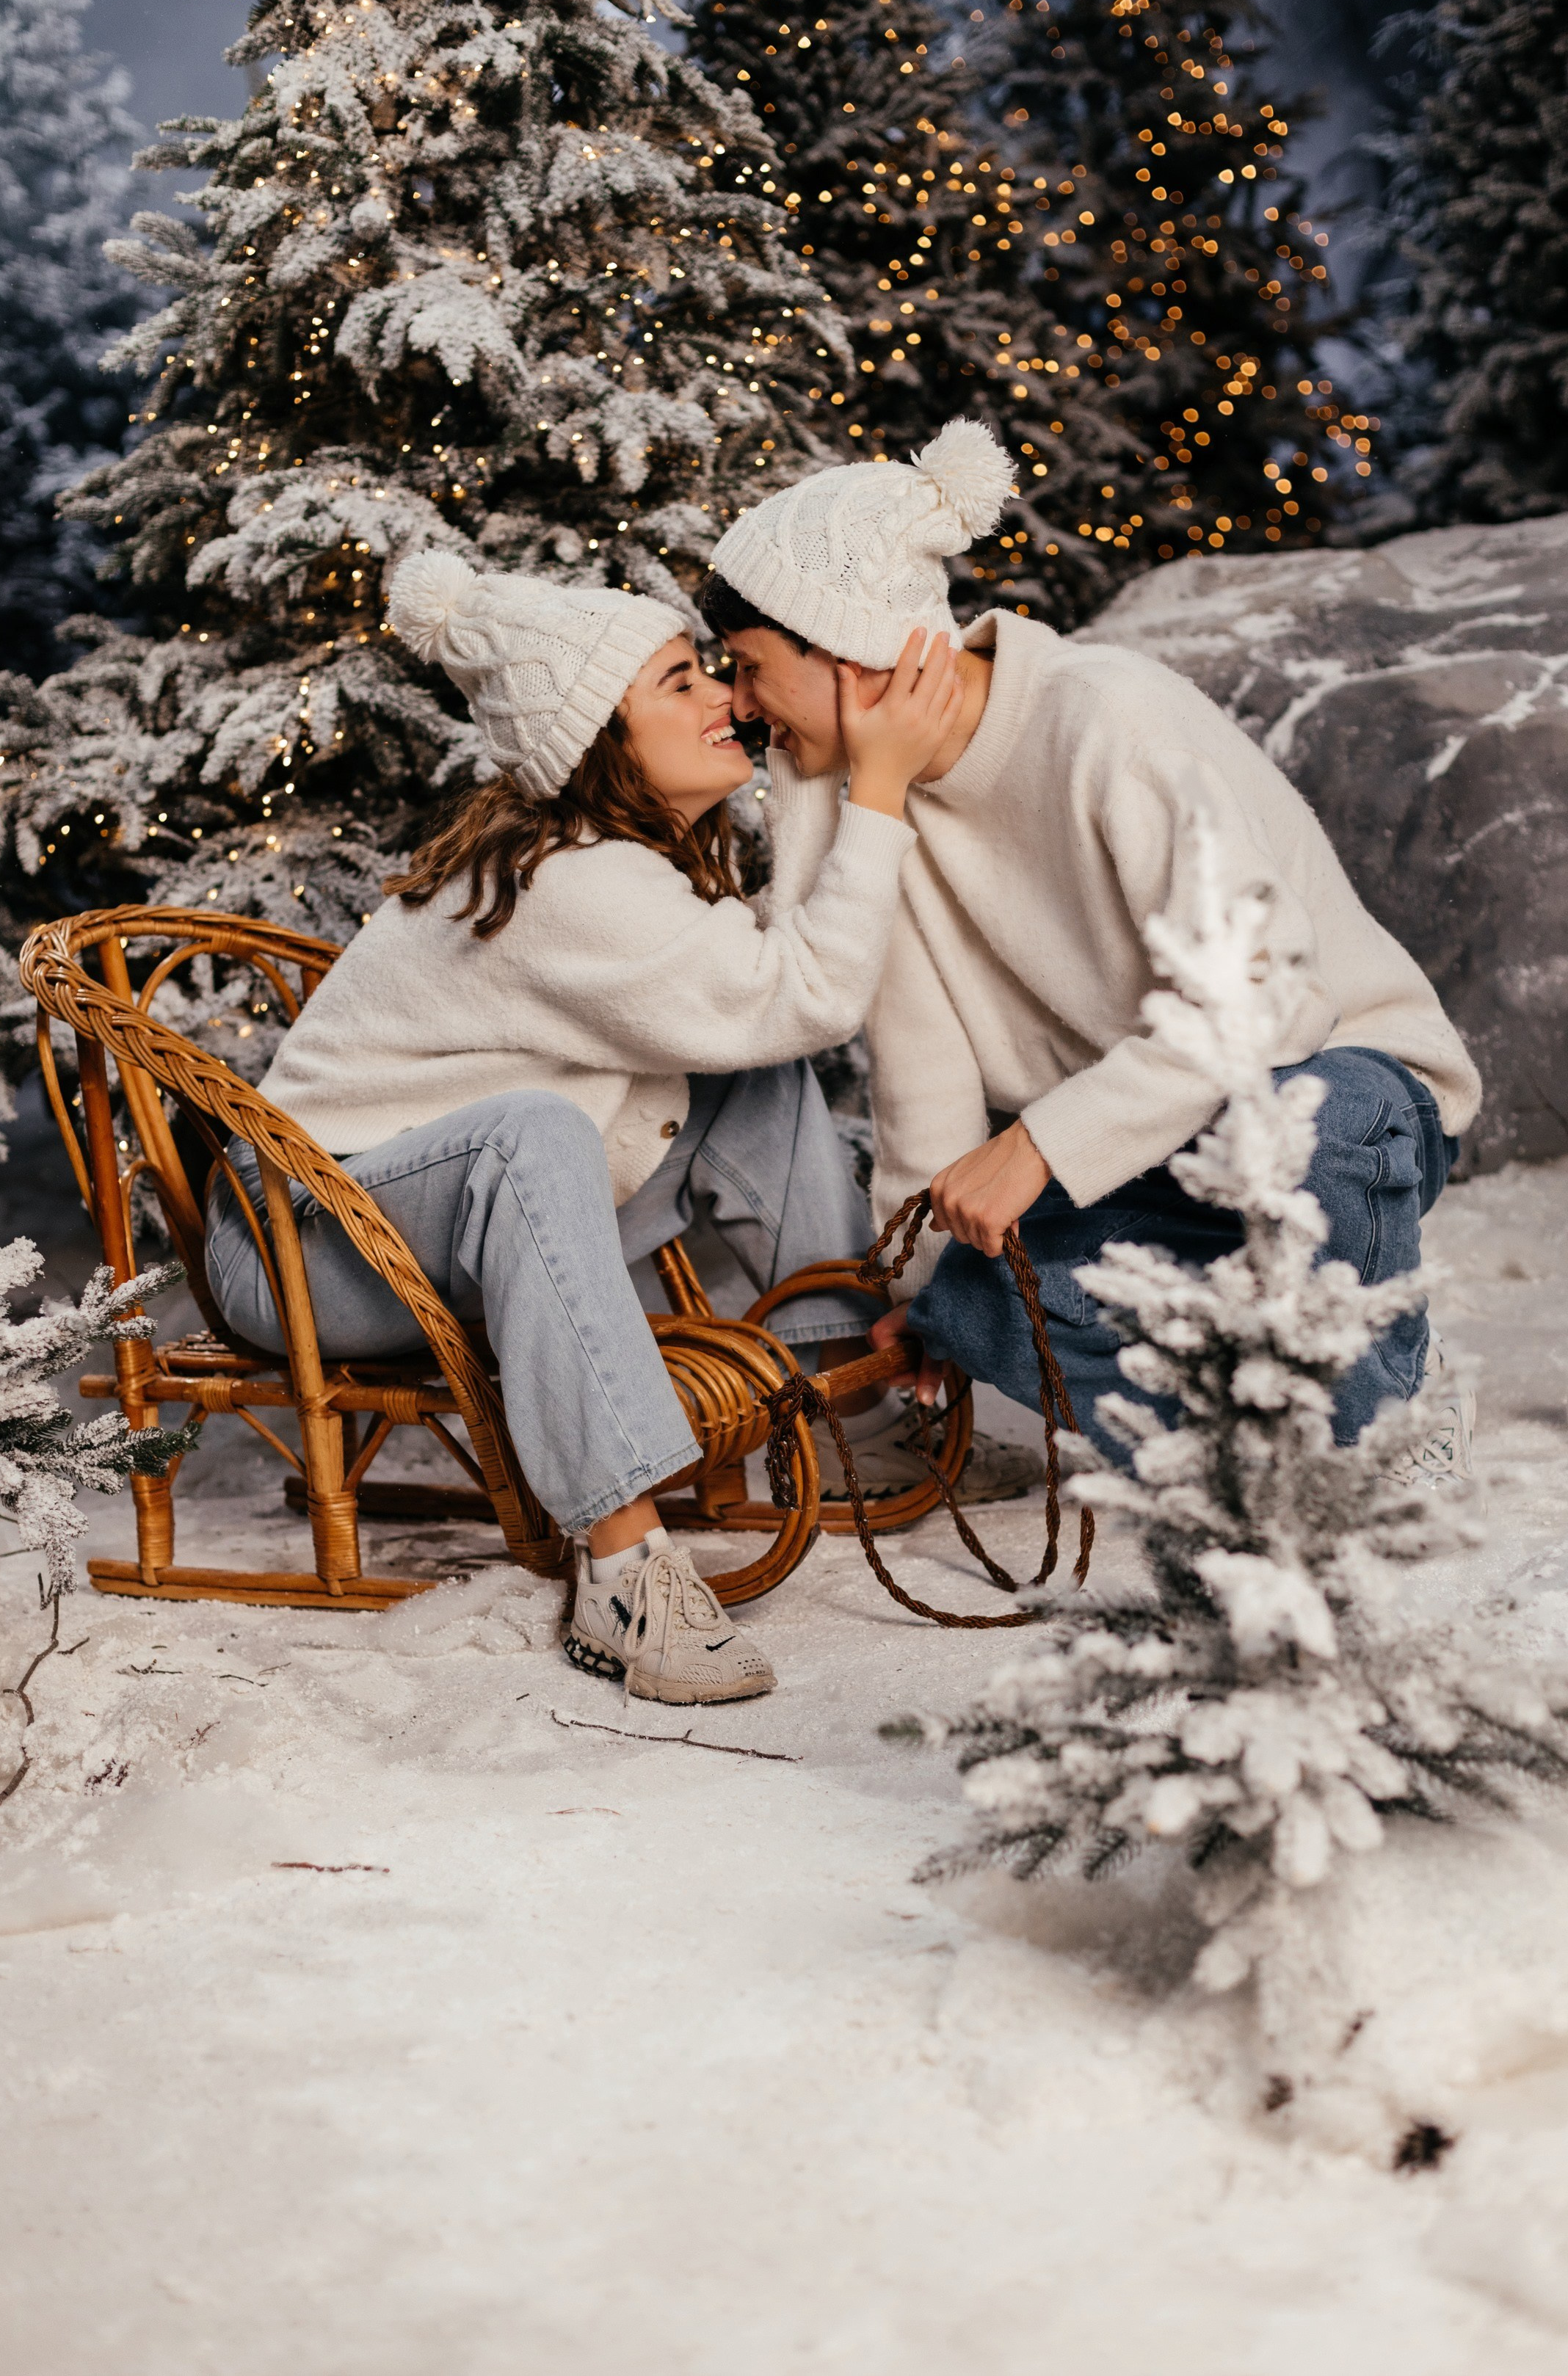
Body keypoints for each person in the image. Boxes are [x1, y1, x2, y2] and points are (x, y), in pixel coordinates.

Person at [204, 550, 962, 1703]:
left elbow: (773, 1009)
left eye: (714, 674)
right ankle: (621, 1569)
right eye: (678, 682)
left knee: (747, 1078)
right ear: (595, 737)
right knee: (532, 1128)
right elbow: (806, 991)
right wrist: (879, 787)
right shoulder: (565, 880)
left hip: (423, 1227)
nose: (724, 698)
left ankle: (837, 1402)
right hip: (305, 1251)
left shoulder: (617, 864)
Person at [700, 418, 1483, 1467]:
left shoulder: (1108, 719)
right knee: (971, 1309)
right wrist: (931, 1296)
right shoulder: (864, 808)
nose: (739, 706)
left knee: (1323, 1115)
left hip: (1342, 1103)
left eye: (749, 670)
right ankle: (1281, 1422)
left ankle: (1388, 1409)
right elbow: (917, 1079)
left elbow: (1267, 1000)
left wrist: (1034, 1147)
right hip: (1145, 1155)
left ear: (844, 652)